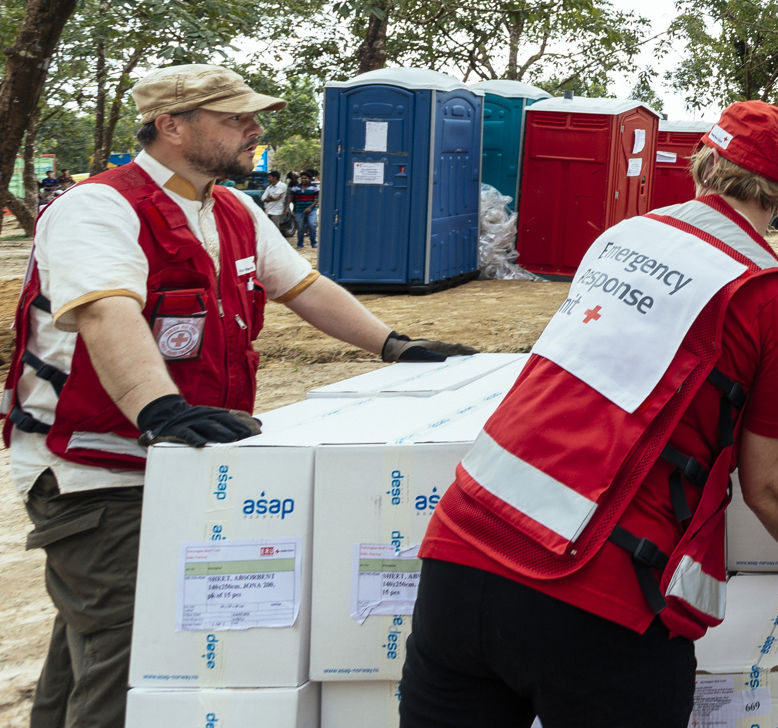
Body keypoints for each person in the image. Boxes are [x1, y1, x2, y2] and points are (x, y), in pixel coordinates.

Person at [2, 64, 478, 728]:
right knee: (133, 648)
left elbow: (303, 289)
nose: (254, 129)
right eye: (235, 118)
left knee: (95, 641)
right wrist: (159, 408)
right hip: (99, 470)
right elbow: (108, 313)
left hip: (184, 459)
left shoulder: (229, 208)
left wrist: (394, 345)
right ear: (172, 126)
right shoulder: (99, 208)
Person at [401, 101, 778, 728]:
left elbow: (655, 329)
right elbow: (771, 488)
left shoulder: (627, 235)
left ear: (704, 165)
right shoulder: (772, 295)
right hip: (596, 595)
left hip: (461, 553)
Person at [290, 171, 319, 248]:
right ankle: (300, 244)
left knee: (312, 225)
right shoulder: (296, 187)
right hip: (299, 210)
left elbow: (317, 199)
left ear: (309, 179)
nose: (303, 180)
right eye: (302, 178)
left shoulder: (315, 187)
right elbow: (290, 197)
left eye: (305, 178)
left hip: (311, 210)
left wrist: (310, 207)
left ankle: (313, 242)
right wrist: (287, 208)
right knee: (300, 227)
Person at [261, 169, 291, 237]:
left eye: (269, 177)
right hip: (268, 210)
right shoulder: (269, 187)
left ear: (274, 178)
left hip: (277, 211)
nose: (268, 179)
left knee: (275, 230)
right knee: (268, 229)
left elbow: (275, 197)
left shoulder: (282, 186)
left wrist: (270, 198)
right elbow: (263, 198)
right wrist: (272, 198)